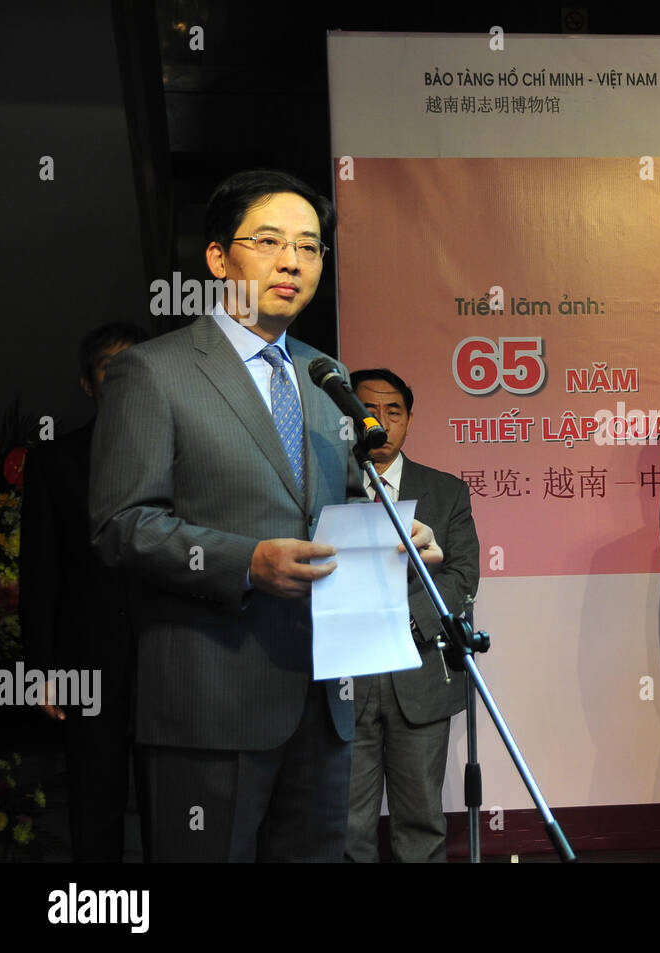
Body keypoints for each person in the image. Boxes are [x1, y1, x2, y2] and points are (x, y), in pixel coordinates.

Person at [89, 169, 444, 862]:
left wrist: (393, 540)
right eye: (271, 241)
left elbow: (337, 512)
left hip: (325, 700)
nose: (292, 261)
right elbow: (119, 525)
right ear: (219, 258)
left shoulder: (326, 376)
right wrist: (245, 563)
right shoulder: (154, 372)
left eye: (310, 248)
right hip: (210, 703)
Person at [19, 321, 150, 862]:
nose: (121, 377)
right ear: (87, 383)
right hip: (87, 662)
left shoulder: (187, 452)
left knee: (180, 803)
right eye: (107, 367)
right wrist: (42, 668)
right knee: (95, 803)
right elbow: (40, 571)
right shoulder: (55, 461)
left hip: (173, 654)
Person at [344, 368, 479, 863]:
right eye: (366, 410)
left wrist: (402, 620)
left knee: (421, 823)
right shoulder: (320, 483)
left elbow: (462, 577)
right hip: (344, 676)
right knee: (346, 826)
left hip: (420, 670)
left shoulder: (446, 492)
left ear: (409, 422)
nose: (378, 420)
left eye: (392, 411)